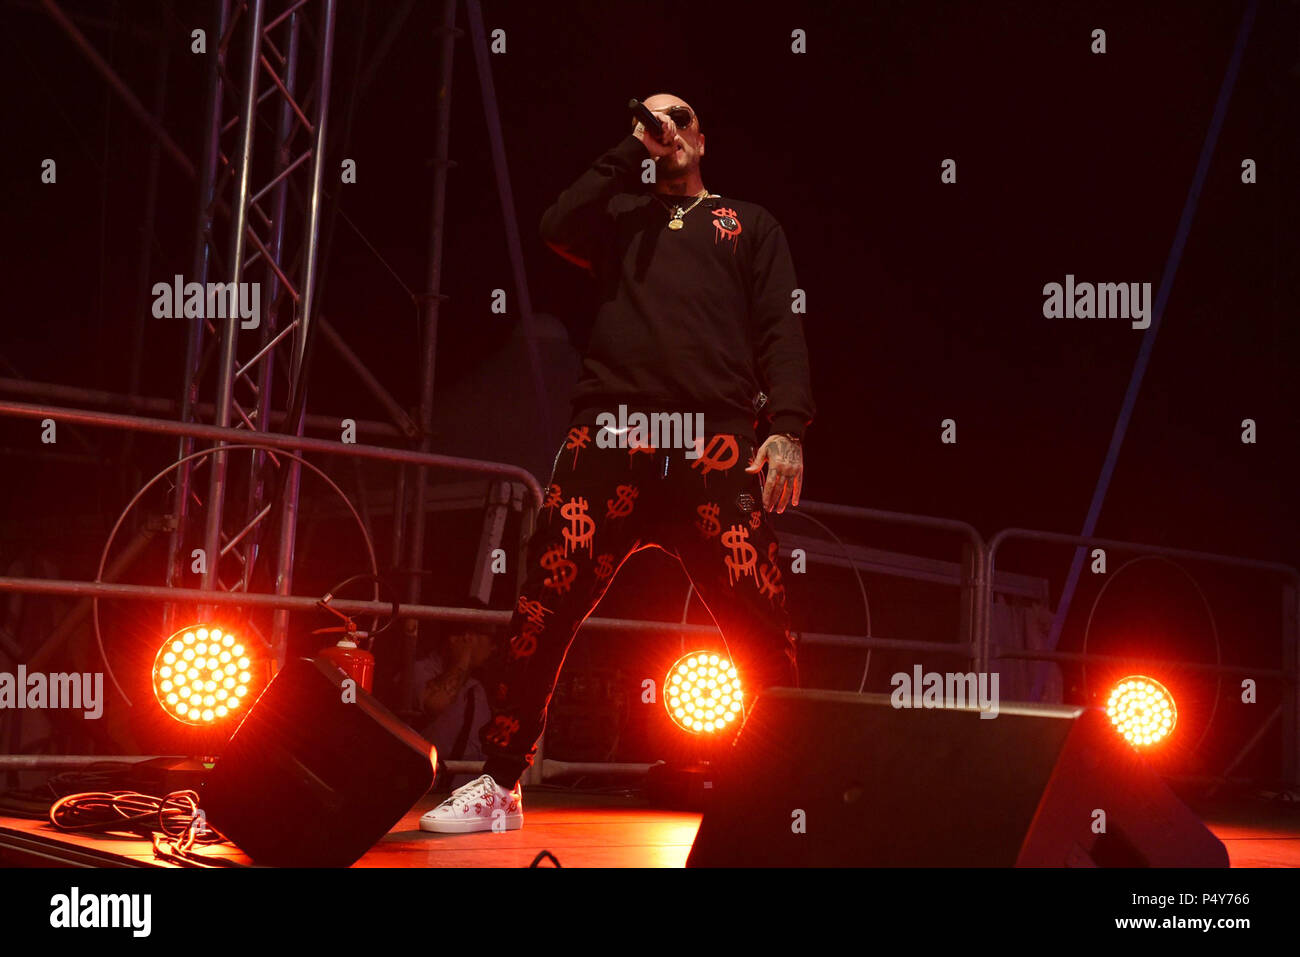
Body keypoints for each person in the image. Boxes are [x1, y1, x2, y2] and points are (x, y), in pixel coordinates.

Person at [420, 93, 814, 833]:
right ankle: (501, 781)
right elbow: (554, 224)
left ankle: (781, 789)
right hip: (612, 432)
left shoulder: (747, 224)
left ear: (703, 134)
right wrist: (632, 150)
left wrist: (787, 426)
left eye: (679, 118)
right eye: (652, 120)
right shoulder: (620, 217)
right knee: (545, 599)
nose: (668, 130)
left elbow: (781, 327)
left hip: (713, 441)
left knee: (762, 616)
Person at [412, 627, 496, 791]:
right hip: (431, 793)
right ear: (468, 636)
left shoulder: (477, 686)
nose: (494, 648)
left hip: (468, 795)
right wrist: (464, 656)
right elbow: (436, 702)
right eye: (491, 639)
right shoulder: (420, 671)